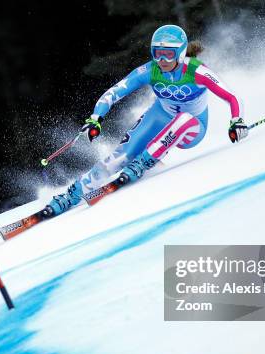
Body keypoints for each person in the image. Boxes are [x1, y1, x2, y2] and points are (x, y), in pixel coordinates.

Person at [46, 24, 249, 216]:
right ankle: (73, 193)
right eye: (156, 53)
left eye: (168, 54)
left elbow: (231, 96)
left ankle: (143, 162)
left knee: (183, 118)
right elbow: (116, 91)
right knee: (121, 155)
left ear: (180, 52)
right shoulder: (150, 70)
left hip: (192, 127)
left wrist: (236, 121)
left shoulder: (196, 71)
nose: (162, 59)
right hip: (159, 117)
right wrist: (95, 119)